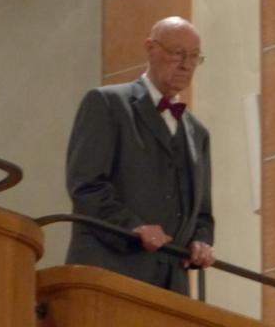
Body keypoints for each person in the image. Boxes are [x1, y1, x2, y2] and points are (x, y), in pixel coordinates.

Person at [65, 16, 215, 295]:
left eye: (194, 57)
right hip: (109, 270)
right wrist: (133, 227)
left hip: (172, 287)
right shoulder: (107, 103)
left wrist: (201, 241)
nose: (186, 65)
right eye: (177, 53)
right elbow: (86, 186)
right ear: (150, 48)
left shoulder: (198, 132)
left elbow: (203, 214)